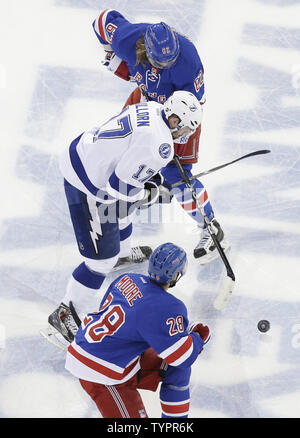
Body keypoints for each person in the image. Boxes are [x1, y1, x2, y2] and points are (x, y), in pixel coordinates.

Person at [46, 90, 203, 344]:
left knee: (123, 212)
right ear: (175, 120)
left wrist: (150, 181)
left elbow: (129, 152)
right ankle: (66, 313)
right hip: (86, 184)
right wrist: (150, 194)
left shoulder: (152, 108)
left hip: (83, 152)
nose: (186, 135)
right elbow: (118, 187)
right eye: (186, 128)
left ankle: (121, 253)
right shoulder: (160, 146)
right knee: (100, 263)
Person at [92, 9, 230, 264]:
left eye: (170, 61)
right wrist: (111, 54)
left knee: (178, 177)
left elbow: (192, 110)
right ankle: (121, 250)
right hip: (143, 105)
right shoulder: (128, 39)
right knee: (121, 163)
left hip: (180, 117)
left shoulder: (189, 65)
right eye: (160, 62)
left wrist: (171, 141)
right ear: (146, 47)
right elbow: (103, 20)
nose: (167, 65)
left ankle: (212, 230)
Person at [65, 242, 210, 418]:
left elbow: (133, 318)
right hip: (101, 373)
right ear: (177, 275)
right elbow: (182, 356)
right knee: (178, 362)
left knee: (174, 368)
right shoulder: (169, 306)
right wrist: (199, 336)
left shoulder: (126, 278)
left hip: (91, 348)